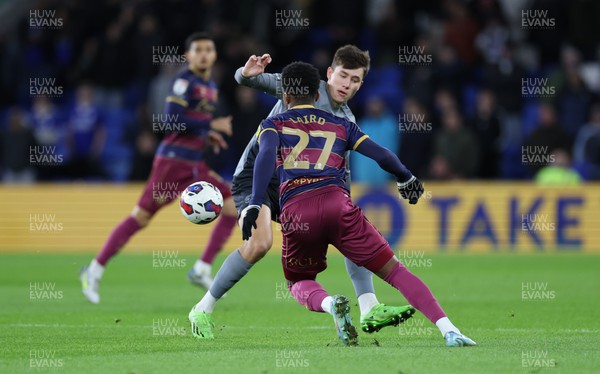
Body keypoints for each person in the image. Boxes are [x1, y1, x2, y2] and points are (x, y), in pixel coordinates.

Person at [242, 61, 477, 347]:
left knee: (299, 281)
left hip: (297, 211)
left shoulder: (271, 125)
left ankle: (331, 305)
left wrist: (255, 203)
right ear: (318, 95)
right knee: (395, 271)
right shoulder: (342, 124)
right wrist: (406, 177)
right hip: (338, 205)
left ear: (286, 98)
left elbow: (264, 159)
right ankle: (450, 330)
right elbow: (380, 153)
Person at [189, 45, 415, 339]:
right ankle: (203, 308)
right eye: (343, 76)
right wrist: (247, 72)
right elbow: (249, 80)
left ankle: (369, 306)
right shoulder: (303, 85)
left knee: (347, 231)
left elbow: (341, 171)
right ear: (330, 73)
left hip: (298, 189)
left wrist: (344, 206)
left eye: (355, 80)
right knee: (260, 244)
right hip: (257, 177)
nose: (347, 84)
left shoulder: (347, 120)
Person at [80, 32, 237, 304]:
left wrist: (205, 136)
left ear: (214, 55)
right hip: (173, 162)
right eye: (197, 49)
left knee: (233, 203)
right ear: (188, 56)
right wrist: (212, 125)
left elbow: (191, 122)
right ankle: (93, 270)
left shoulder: (209, 85)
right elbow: (172, 119)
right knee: (141, 217)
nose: (203, 54)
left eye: (208, 49)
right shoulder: (183, 81)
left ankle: (202, 268)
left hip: (194, 162)